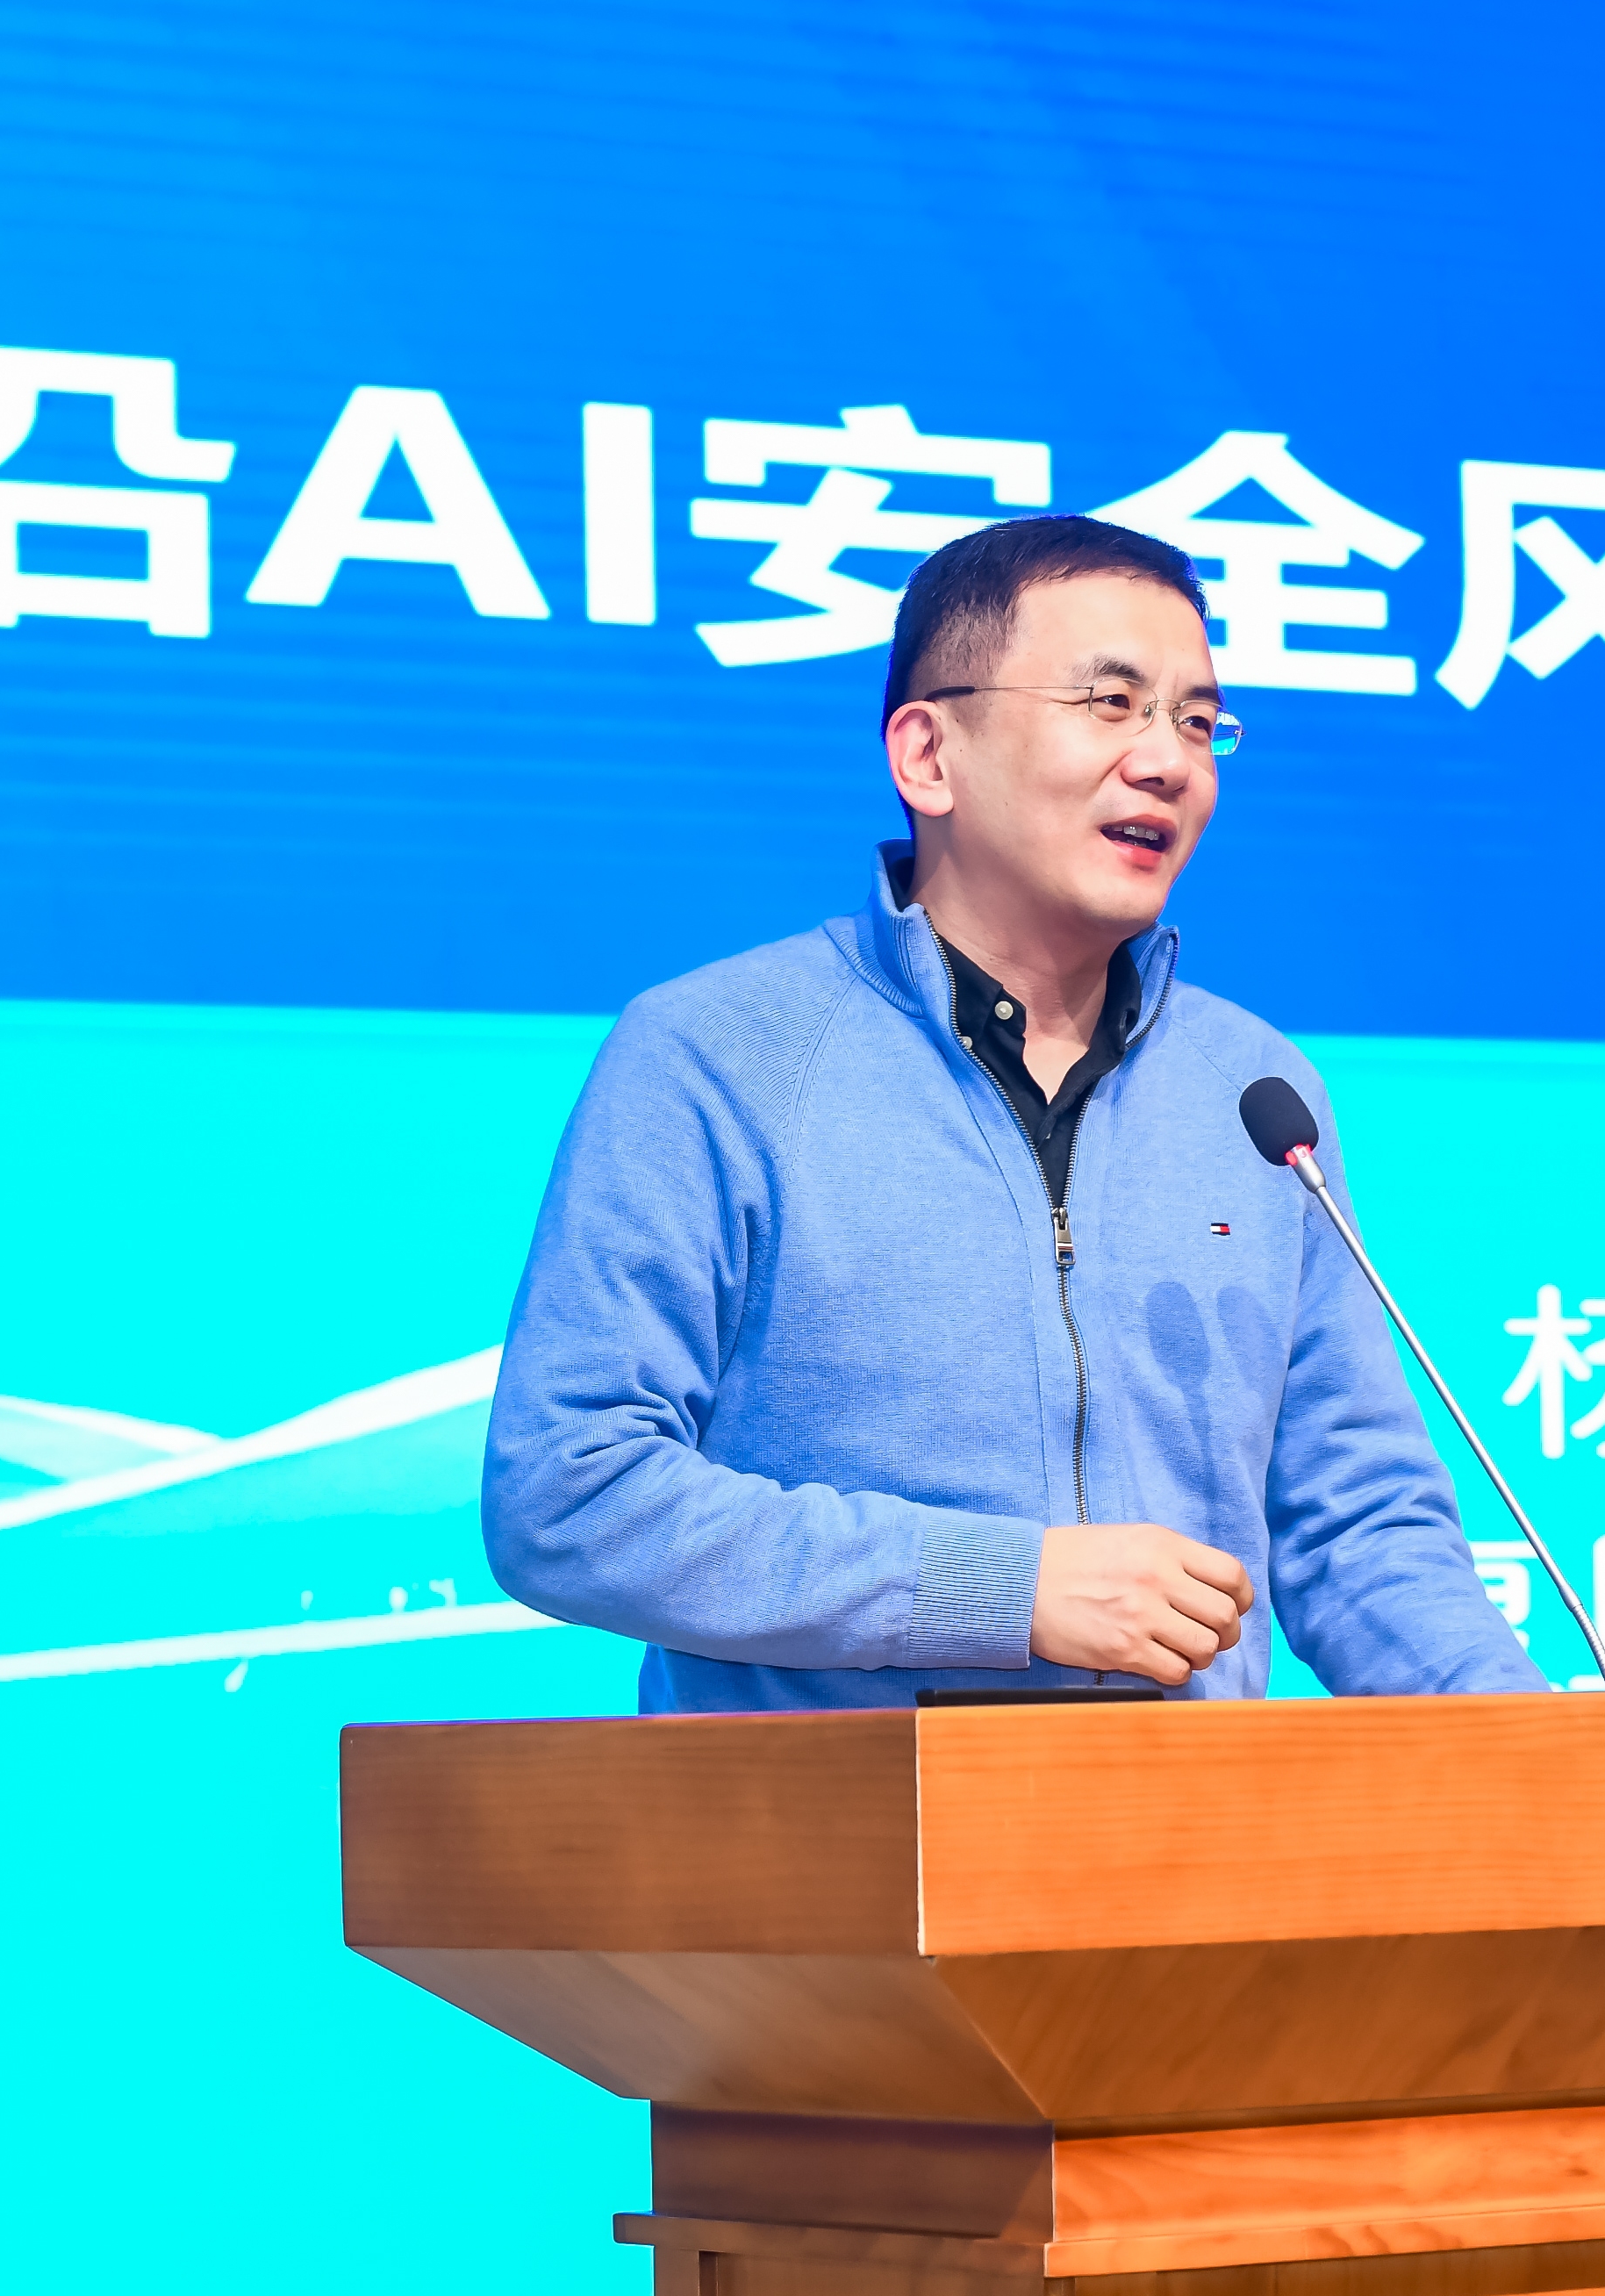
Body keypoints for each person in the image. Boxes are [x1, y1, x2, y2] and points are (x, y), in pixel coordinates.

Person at [482, 514, 1544, 1709]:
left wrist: (1555, 1760)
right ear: (928, 755)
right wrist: (1003, 1588)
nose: (1168, 761)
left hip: (1192, 1821)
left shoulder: (1252, 1088)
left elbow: (1360, 1529)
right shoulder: (719, 1053)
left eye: (1198, 721)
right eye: (1111, 703)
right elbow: (570, 1491)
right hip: (833, 1819)